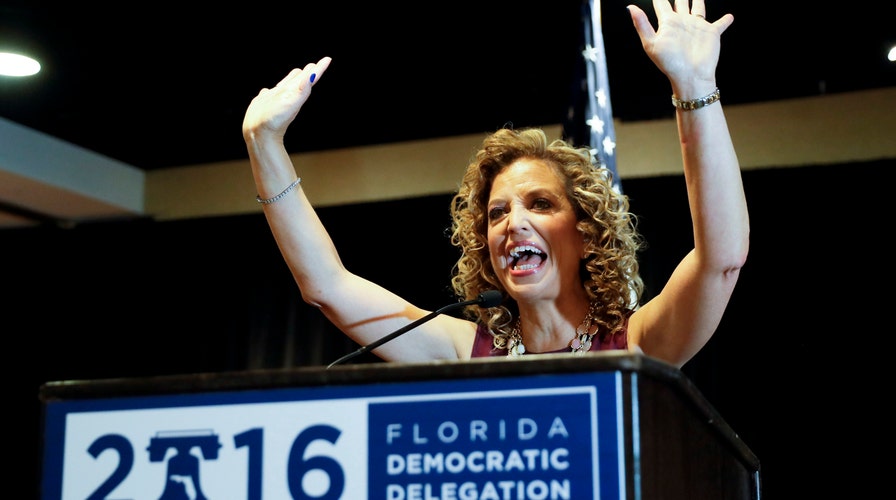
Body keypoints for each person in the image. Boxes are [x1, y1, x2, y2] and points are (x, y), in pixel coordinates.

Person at [242, 0, 748, 369]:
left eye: (540, 203)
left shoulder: (637, 343)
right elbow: (328, 287)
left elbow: (719, 262)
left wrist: (696, 87)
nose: (514, 223)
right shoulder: (467, 351)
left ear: (586, 232)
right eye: (498, 213)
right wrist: (265, 144)